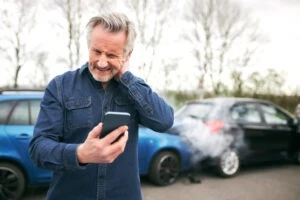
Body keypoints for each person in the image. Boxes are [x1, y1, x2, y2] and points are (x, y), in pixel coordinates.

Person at [29, 12, 174, 200]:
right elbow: (38, 149)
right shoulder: (60, 86)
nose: (102, 62)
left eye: (112, 55)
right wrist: (80, 154)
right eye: (96, 51)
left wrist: (126, 78)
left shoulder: (134, 90)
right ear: (89, 46)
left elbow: (164, 121)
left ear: (127, 55)